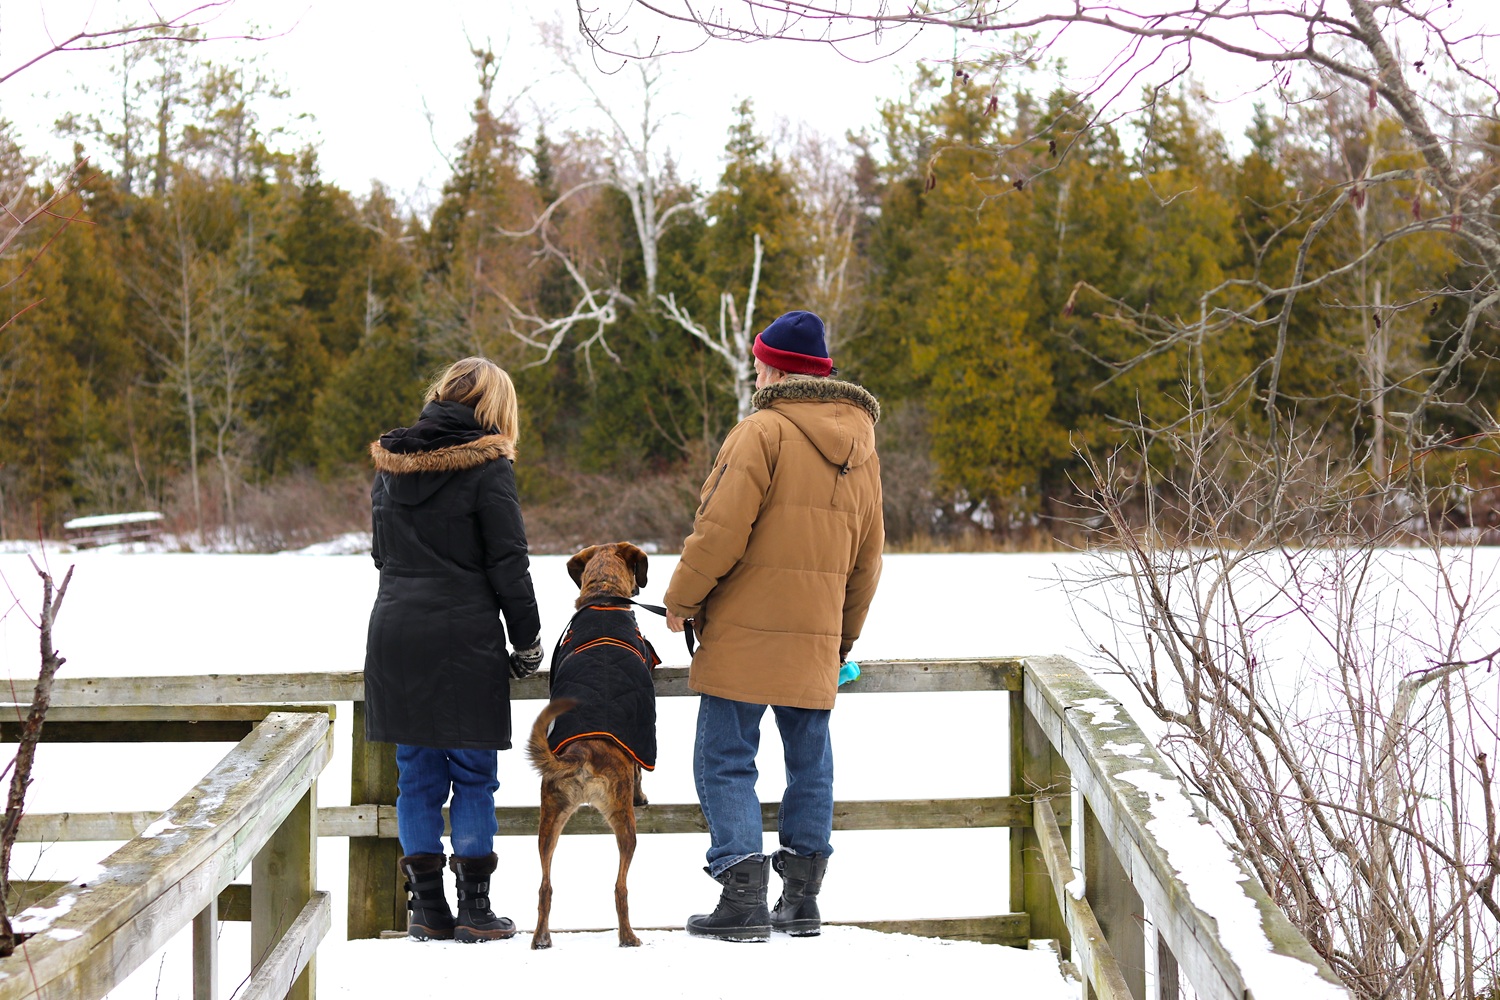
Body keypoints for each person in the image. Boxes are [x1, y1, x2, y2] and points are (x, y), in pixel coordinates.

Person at [663, 309, 884, 942]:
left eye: (760, 359)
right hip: (816, 634)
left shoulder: (762, 431)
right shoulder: (863, 447)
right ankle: (803, 899)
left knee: (725, 757)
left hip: (742, 632)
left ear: (775, 367)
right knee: (809, 762)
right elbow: (868, 557)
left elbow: (719, 533)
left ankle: (741, 894)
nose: (755, 368)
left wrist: (680, 601)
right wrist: (842, 636)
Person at [363, 356, 545, 943]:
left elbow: (380, 555)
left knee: (414, 776)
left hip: (396, 631)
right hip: (464, 634)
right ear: (495, 408)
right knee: (471, 775)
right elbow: (508, 563)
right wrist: (527, 640)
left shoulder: (390, 464)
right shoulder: (488, 466)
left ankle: (426, 910)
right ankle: (475, 909)